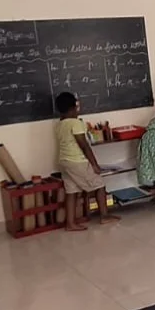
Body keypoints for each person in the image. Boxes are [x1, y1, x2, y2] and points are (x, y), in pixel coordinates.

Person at [53, 91, 100, 232]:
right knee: (99, 185)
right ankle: (104, 216)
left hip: (64, 161)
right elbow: (84, 145)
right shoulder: (76, 123)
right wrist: (94, 164)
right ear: (73, 108)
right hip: (77, 161)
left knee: (71, 191)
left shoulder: (59, 124)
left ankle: (70, 224)